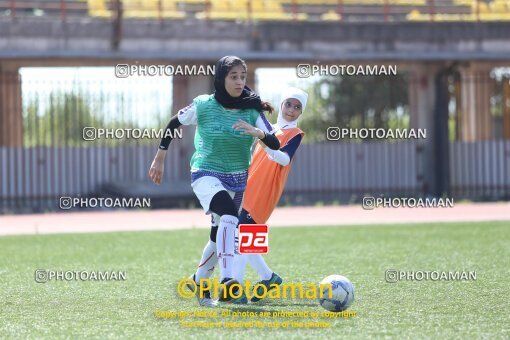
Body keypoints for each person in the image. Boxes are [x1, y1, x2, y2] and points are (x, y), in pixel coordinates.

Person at [148, 56, 280, 306]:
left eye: (243, 76)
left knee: (217, 235)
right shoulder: (203, 105)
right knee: (230, 217)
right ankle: (229, 281)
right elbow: (173, 123)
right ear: (221, 79)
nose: (240, 81)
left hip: (238, 180)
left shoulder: (253, 111)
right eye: (234, 76)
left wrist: (258, 133)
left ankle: (199, 281)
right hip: (205, 173)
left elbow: (274, 142)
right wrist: (160, 156)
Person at [190, 87, 307, 304]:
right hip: (245, 187)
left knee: (240, 238)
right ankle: (267, 277)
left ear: (301, 112)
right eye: (288, 104)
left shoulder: (294, 134)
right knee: (241, 237)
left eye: (297, 107)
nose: (291, 110)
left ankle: (236, 287)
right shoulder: (267, 129)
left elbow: (283, 159)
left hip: (264, 191)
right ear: (281, 105)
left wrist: (261, 138)